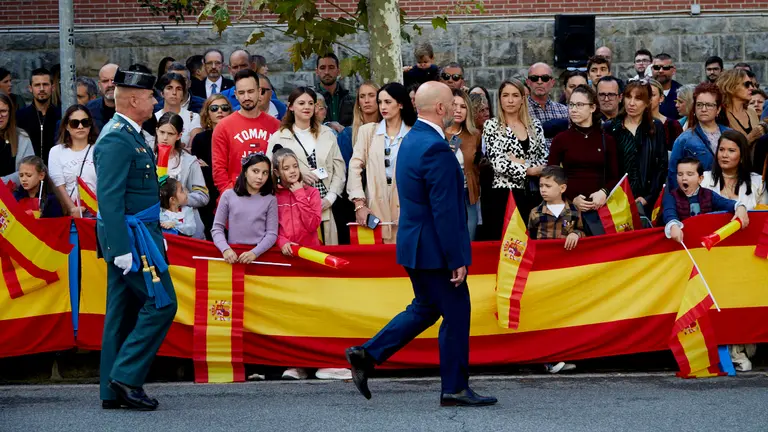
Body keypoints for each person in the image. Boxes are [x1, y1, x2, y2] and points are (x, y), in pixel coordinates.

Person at [345, 81, 497, 407]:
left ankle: (366, 355)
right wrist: (456, 257)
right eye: (453, 104)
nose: (459, 109)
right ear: (441, 109)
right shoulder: (435, 148)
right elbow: (445, 210)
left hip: (415, 245)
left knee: (426, 308)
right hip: (435, 250)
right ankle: (454, 388)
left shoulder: (413, 140)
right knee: (456, 314)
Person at [94, 68, 177, 411]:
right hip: (131, 239)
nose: (156, 100)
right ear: (132, 100)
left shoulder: (130, 133)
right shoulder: (116, 137)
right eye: (150, 96)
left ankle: (112, 391)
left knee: (122, 311)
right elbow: (109, 197)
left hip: (141, 233)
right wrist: (120, 248)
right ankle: (126, 378)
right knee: (161, 303)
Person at [266, 87, 346, 246]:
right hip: (294, 208)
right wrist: (298, 176)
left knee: (327, 253)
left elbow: (339, 169)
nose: (306, 107)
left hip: (326, 205)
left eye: (311, 103)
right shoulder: (279, 137)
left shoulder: (328, 133)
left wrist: (330, 198)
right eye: (301, 103)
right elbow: (271, 172)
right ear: (290, 106)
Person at [347, 82, 417, 244]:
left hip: (407, 210)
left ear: (400, 104)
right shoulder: (368, 131)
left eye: (388, 102)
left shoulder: (414, 133)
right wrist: (359, 204)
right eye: (380, 102)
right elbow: (354, 166)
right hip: (375, 210)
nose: (382, 107)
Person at [548, 85, 619, 236]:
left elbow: (615, 176)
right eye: (571, 104)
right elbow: (552, 176)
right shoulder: (560, 139)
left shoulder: (607, 140)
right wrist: (572, 197)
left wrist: (604, 192)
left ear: (592, 107)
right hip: (570, 210)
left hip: (601, 211)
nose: (573, 109)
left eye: (579, 105)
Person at [484, 79, 547, 240]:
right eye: (505, 95)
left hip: (533, 193)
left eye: (515, 95)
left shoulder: (535, 125)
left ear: (522, 99)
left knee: (530, 239)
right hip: (504, 195)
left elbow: (544, 158)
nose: (510, 100)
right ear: (499, 99)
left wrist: (520, 163)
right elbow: (498, 163)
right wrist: (529, 169)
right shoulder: (492, 125)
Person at [605, 80, 667, 217]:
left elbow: (661, 165)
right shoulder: (611, 127)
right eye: (628, 97)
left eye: (638, 98)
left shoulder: (656, 127)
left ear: (647, 102)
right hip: (617, 199)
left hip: (648, 199)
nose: (631, 103)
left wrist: (648, 197)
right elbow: (606, 166)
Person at [212, 69, 280, 193]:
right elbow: (219, 170)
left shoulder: (276, 125)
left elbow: (280, 163)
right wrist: (232, 197)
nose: (246, 97)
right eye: (242, 93)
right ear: (236, 94)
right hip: (235, 196)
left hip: (268, 196)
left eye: (251, 91)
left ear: (259, 92)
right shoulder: (223, 126)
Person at [663, 156, 749, 243]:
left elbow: (726, 203)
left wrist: (740, 207)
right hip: (681, 244)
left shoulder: (708, 195)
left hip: (703, 243)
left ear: (700, 179)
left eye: (689, 174)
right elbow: (669, 213)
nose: (684, 178)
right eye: (680, 174)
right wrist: (673, 225)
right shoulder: (671, 196)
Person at [335, 81, 381, 244]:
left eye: (371, 95)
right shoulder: (347, 134)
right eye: (362, 96)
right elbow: (346, 171)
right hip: (353, 201)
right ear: (358, 103)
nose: (367, 100)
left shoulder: (390, 130)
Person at [211, 153, 278, 264]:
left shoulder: (270, 199)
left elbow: (272, 234)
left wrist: (255, 253)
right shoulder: (228, 195)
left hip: (260, 257)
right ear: (245, 172)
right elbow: (217, 228)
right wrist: (225, 249)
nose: (260, 177)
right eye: (255, 171)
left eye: (265, 173)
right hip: (234, 256)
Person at [155, 112, 209, 239]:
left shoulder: (189, 162)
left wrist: (181, 199)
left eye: (170, 134)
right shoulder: (147, 159)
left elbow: (203, 196)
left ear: (179, 135)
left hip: (185, 227)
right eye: (162, 132)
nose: (165, 138)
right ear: (156, 131)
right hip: (156, 225)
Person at [667, 83, 730, 189]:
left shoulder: (730, 135)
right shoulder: (684, 139)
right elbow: (673, 175)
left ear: (718, 109)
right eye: (699, 105)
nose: (704, 109)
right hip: (698, 195)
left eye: (709, 105)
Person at [49, 104, 99, 218]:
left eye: (85, 122)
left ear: (90, 124)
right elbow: (59, 185)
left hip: (98, 215)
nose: (80, 126)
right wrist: (72, 209)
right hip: (70, 216)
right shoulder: (56, 152)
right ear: (66, 126)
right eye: (75, 123)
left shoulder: (100, 149)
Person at [191, 94, 231, 238]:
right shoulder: (200, 139)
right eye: (214, 108)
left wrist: (208, 168)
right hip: (208, 197)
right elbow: (199, 171)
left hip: (231, 193)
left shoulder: (235, 136)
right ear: (207, 113)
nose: (220, 111)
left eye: (224, 108)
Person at [446, 89, 481, 240]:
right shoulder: (437, 133)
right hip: (444, 193)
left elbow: (477, 164)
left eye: (463, 106)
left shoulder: (474, 135)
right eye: (454, 105)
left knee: (469, 235)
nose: (458, 110)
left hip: (468, 192)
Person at [528, 165, 584, 250]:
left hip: (566, 258)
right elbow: (529, 238)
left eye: (548, 186)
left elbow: (583, 231)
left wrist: (576, 234)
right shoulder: (535, 212)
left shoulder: (574, 210)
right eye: (541, 185)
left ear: (562, 188)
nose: (543, 190)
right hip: (543, 258)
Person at [16, 67, 61, 163]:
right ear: (30, 88)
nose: (41, 89)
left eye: (45, 84)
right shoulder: (19, 117)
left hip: (55, 170)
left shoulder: (61, 115)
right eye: (37, 85)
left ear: (52, 87)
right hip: (28, 172)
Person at [717, 69, 767, 145]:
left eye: (752, 84)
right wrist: (749, 138)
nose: (752, 88)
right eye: (747, 84)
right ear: (732, 87)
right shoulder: (721, 115)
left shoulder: (752, 112)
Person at [153, 73, 202, 149]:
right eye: (169, 88)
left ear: (183, 93)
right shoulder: (153, 118)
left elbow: (193, 149)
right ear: (162, 93)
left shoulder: (192, 117)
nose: (174, 93)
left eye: (179, 89)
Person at [526, 62, 568, 150]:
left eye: (545, 78)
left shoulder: (565, 111)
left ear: (552, 82)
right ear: (528, 82)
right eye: (534, 78)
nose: (539, 82)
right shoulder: (520, 111)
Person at [0, 93, 34, 186]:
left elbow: (29, 169)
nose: (0, 116)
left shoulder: (22, 137)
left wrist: (2, 183)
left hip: (14, 196)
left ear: (10, 112)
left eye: (3, 111)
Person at [316, 53, 355, 131]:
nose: (327, 72)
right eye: (322, 68)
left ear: (338, 71)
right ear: (317, 71)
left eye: (331, 67)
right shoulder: (310, 98)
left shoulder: (351, 99)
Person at [649, 79, 683, 151]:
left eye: (652, 95)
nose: (648, 98)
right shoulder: (632, 123)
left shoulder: (673, 125)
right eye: (645, 94)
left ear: (661, 98)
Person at [87, 63, 118, 130]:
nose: (110, 85)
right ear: (99, 85)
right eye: (105, 81)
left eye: (114, 80)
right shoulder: (90, 109)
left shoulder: (133, 108)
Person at [651, 53, 682, 120]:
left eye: (666, 68)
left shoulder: (681, 92)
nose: (661, 71)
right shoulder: (643, 90)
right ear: (652, 69)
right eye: (657, 67)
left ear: (673, 70)